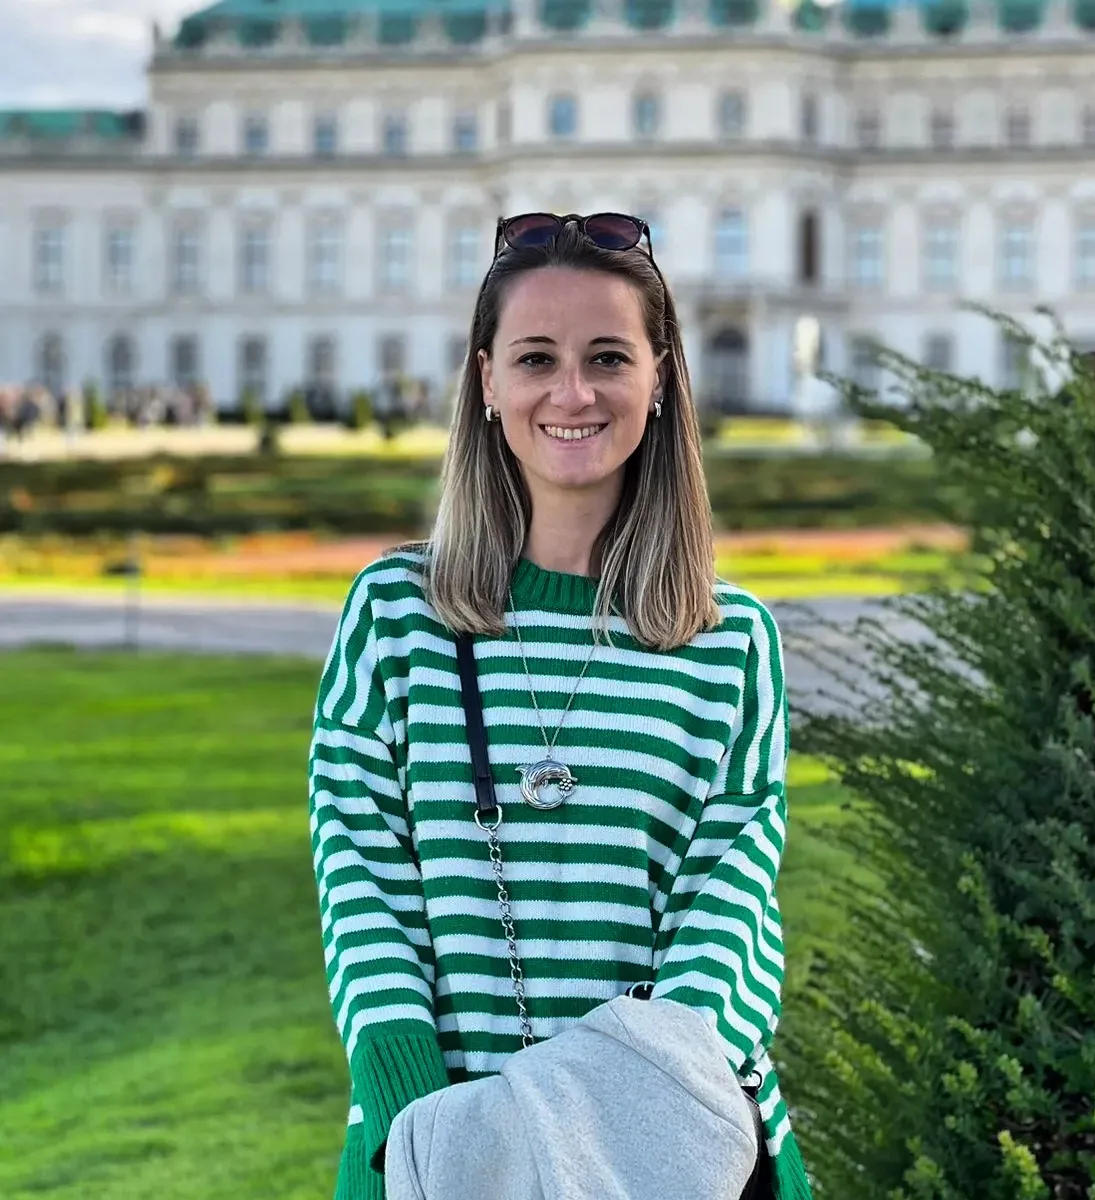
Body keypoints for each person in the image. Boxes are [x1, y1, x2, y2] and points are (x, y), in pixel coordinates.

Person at [308, 212, 812, 1200]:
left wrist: (627, 1130)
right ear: (487, 382)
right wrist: (418, 1114)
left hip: (667, 1158)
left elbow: (726, 908)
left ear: (659, 379)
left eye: (608, 357)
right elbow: (360, 873)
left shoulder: (729, 640)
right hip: (442, 1147)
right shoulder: (396, 617)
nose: (573, 392)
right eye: (537, 358)